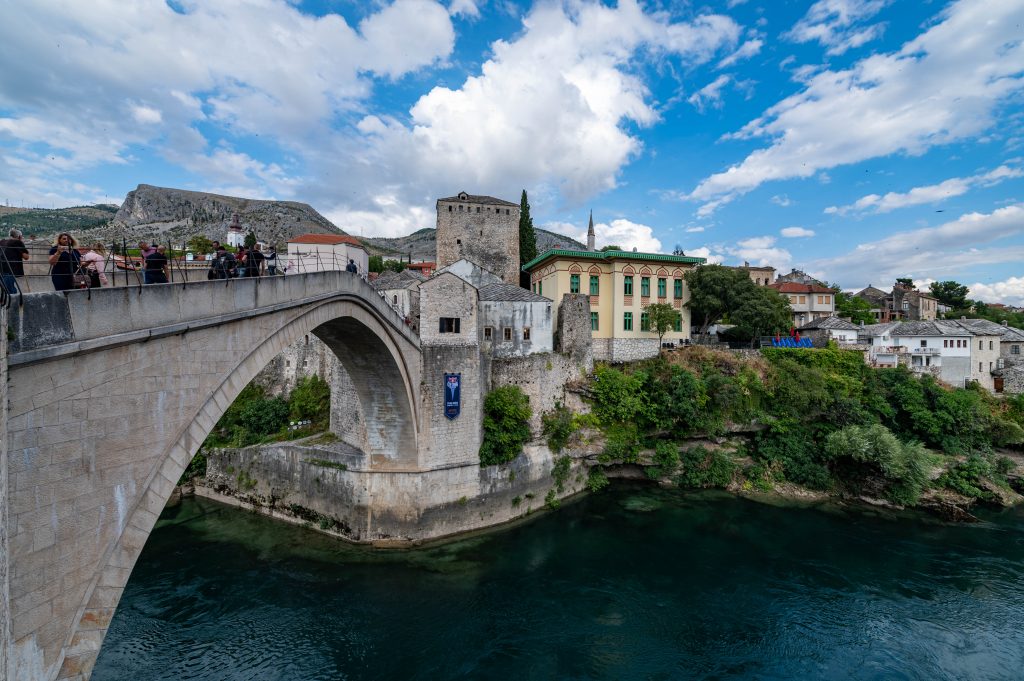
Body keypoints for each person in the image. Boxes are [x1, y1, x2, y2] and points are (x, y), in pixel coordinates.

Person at [0, 228, 30, 294]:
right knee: (10, 291)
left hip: (1, 269)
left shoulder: (2, 241)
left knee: (6, 289)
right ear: (19, 236)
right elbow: (26, 257)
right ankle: (15, 303)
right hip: (10, 269)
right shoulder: (17, 242)